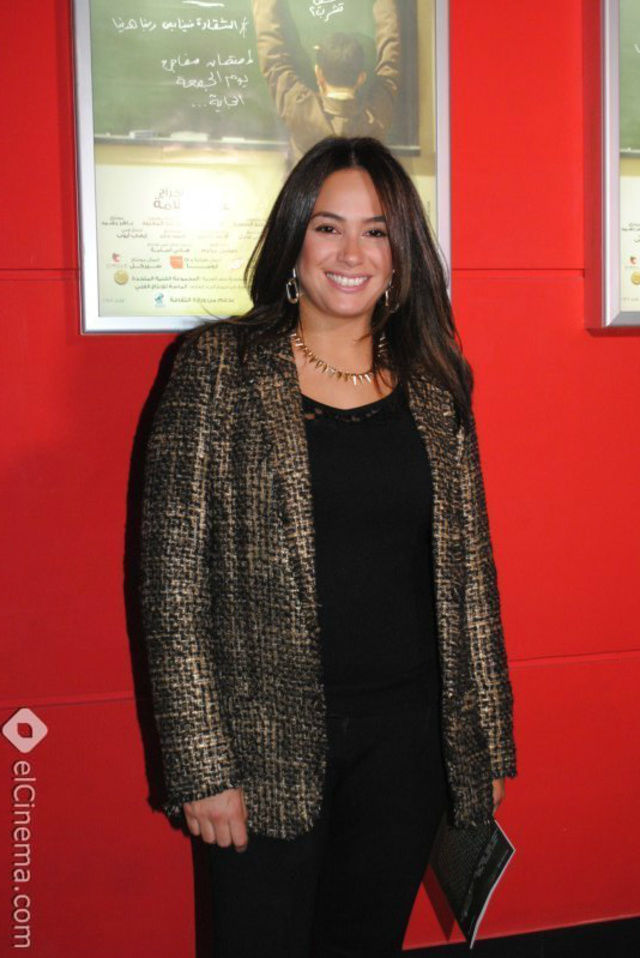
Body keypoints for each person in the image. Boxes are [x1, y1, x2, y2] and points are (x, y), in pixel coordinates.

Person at [139, 135, 517, 957]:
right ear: (294, 242)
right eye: (328, 227)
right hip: (262, 749)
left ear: (401, 253)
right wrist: (201, 765)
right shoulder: (219, 368)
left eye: (376, 231)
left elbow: (470, 579)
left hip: (408, 743)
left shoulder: (435, 380)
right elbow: (171, 586)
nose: (352, 253)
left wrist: (482, 745)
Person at [252, 0, 400, 164]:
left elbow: (273, 60)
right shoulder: (377, 117)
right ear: (361, 78)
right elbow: (390, 57)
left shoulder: (300, 110)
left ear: (318, 74)